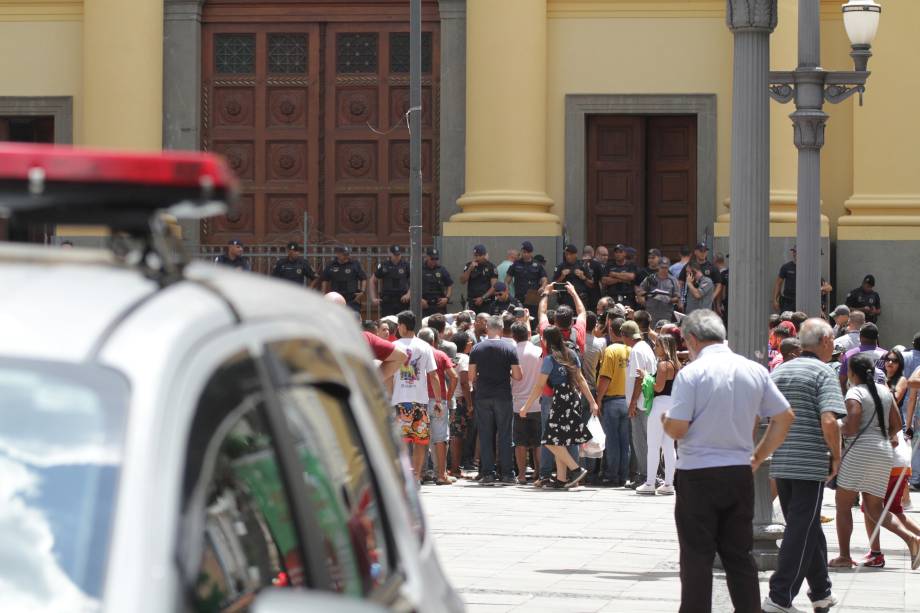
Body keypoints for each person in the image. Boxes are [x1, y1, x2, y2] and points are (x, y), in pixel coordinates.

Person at [662, 309, 794, 613]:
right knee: (739, 555)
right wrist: (758, 455)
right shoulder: (753, 370)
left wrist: (667, 420)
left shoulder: (692, 373)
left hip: (697, 473)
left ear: (692, 339)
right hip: (738, 471)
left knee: (697, 556)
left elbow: (679, 428)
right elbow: (784, 416)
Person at [762, 318, 846, 613]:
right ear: (824, 341)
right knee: (800, 528)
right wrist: (836, 456)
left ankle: (821, 591)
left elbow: (765, 417)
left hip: (782, 461)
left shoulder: (780, 370)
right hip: (810, 464)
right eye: (833, 340)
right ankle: (779, 596)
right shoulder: (824, 372)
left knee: (807, 527)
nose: (833, 346)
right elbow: (829, 420)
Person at [828, 353, 920, 569]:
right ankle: (912, 539)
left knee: (842, 505)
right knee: (874, 508)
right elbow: (897, 425)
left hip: (858, 451)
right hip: (883, 450)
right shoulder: (885, 391)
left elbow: (851, 426)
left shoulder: (855, 392)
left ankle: (843, 556)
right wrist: (879, 435)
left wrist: (834, 424)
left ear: (851, 373)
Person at [519, 326, 598, 489]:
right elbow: (581, 379)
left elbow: (539, 385)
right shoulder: (572, 354)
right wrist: (592, 401)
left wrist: (526, 406)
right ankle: (561, 479)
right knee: (560, 440)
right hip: (573, 398)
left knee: (549, 440)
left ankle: (575, 469)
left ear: (546, 340)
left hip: (560, 399)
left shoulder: (549, 359)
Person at [468, 315, 522, 485]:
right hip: (503, 396)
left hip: (483, 395)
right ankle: (508, 474)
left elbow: (471, 376)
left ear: (487, 328)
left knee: (485, 434)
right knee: (505, 434)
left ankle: (488, 473)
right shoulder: (510, 348)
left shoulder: (477, 348)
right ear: (501, 328)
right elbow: (518, 375)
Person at [391, 311, 442, 483]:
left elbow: (388, 376)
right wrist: (438, 400)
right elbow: (433, 375)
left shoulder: (394, 345)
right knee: (420, 441)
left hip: (399, 400)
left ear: (403, 326)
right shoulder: (425, 346)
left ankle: (404, 475)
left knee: (401, 441)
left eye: (398, 325)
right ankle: (416, 476)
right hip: (420, 401)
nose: (398, 328)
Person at [635, 333, 679, 496]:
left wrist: (645, 375)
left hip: (660, 406)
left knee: (653, 445)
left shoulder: (663, 365)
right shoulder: (676, 364)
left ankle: (650, 482)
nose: (655, 348)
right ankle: (668, 483)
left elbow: (658, 387)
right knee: (668, 446)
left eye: (658, 345)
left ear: (665, 347)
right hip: (672, 405)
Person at [418, 328, 458, 486]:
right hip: (437, 400)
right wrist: (447, 397)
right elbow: (454, 377)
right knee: (440, 438)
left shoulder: (415, 353)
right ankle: (441, 475)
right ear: (434, 340)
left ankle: (420, 474)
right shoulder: (440, 355)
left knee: (419, 437)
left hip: (419, 400)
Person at [596, 316, 631, 486]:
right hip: (627, 400)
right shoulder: (630, 349)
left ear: (611, 331)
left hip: (612, 401)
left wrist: (599, 399)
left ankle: (611, 475)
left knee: (612, 441)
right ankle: (624, 475)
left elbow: (605, 378)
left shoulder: (611, 350)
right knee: (625, 441)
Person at [623, 320, 657, 489]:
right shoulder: (646, 347)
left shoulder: (636, 351)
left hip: (641, 402)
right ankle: (649, 474)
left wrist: (633, 402)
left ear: (625, 336)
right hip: (647, 400)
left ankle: (644, 475)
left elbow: (639, 378)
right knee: (647, 440)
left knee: (640, 440)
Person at [511, 322, 544, 484]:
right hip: (538, 402)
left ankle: (522, 475)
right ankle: (538, 473)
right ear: (529, 334)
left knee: (520, 443)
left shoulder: (512, 352)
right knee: (538, 442)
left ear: (513, 336)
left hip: (518, 403)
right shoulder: (538, 352)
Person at [448, 331, 474, 476]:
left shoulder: (451, 356)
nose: (471, 343)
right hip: (460, 400)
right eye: (470, 341)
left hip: (450, 398)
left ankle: (452, 466)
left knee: (451, 435)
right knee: (458, 436)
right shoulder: (464, 358)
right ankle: (455, 468)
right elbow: (464, 382)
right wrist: (469, 403)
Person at [838, 322, 887, 393]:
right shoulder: (886, 355)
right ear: (877, 337)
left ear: (860, 337)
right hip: (881, 398)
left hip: (856, 398)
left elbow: (842, 382)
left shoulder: (849, 355)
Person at [677, 242, 722, 313]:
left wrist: (712, 297)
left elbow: (718, 285)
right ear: (695, 252)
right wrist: (680, 301)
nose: (703, 253)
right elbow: (680, 283)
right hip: (691, 302)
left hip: (705, 303)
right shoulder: (688, 266)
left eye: (705, 251)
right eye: (701, 251)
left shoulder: (712, 267)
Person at [506, 241, 548, 317]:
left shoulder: (537, 265)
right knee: (519, 318)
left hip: (533, 297)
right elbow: (507, 280)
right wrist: (507, 290)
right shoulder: (516, 264)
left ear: (531, 253)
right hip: (519, 297)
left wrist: (542, 287)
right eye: (523, 252)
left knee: (533, 318)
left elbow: (544, 279)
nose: (525, 254)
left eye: (527, 252)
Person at [321, 246, 367, 312]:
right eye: (344, 254)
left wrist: (362, 292)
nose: (346, 256)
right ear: (338, 254)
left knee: (353, 318)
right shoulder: (331, 265)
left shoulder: (354, 264)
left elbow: (363, 278)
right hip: (336, 298)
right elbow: (325, 279)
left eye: (347, 254)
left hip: (351, 298)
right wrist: (323, 294)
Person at [637, 257, 679, 324]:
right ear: (658, 266)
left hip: (666, 312)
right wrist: (643, 300)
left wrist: (669, 300)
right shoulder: (650, 278)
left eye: (666, 267)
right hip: (651, 311)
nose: (664, 270)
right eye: (662, 267)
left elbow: (677, 297)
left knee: (664, 332)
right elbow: (639, 291)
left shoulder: (673, 280)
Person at [373, 245, 410, 317]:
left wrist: (408, 294)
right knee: (387, 322)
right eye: (395, 255)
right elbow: (372, 280)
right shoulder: (384, 265)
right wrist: (373, 298)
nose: (397, 257)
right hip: (388, 300)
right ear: (390, 254)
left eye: (398, 254)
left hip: (402, 300)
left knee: (402, 322)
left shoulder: (406, 265)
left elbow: (413, 281)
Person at [553, 244, 593, 309]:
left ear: (575, 254)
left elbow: (592, 284)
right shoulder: (560, 266)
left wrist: (583, 277)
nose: (568, 256)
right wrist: (561, 277)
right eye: (566, 254)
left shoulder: (583, 266)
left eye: (571, 254)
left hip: (580, 299)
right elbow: (553, 285)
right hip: (565, 300)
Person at [460, 244, 498, 310]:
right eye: (475, 255)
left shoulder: (491, 267)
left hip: (486, 302)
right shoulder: (469, 265)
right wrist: (470, 269)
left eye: (480, 255)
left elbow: (494, 286)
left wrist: (483, 298)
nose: (477, 258)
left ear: (484, 255)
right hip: (472, 301)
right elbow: (462, 281)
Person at [421, 248, 453, 317]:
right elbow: (413, 286)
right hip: (424, 305)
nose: (434, 261)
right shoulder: (420, 269)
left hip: (439, 305)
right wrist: (419, 300)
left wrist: (447, 299)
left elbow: (449, 284)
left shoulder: (441, 269)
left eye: (436, 259)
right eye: (432, 259)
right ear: (427, 257)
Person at [772, 246, 797, 313]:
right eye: (794, 252)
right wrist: (775, 300)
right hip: (787, 301)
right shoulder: (786, 267)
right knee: (785, 321)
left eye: (797, 252)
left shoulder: (807, 268)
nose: (795, 254)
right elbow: (778, 283)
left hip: (802, 300)